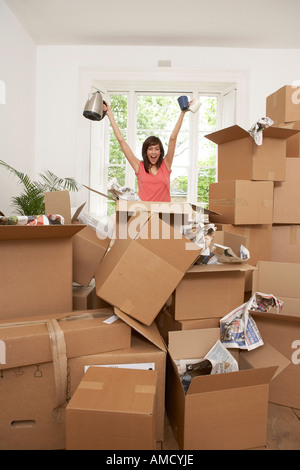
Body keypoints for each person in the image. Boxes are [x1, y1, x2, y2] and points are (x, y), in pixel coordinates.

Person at [103, 101, 190, 202]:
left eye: (157, 149)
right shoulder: (139, 166)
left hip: (164, 214)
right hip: (143, 213)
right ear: (146, 151)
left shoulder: (166, 164)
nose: (153, 152)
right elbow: (121, 141)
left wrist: (182, 113)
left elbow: (173, 138)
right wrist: (109, 114)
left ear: (160, 152)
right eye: (150, 149)